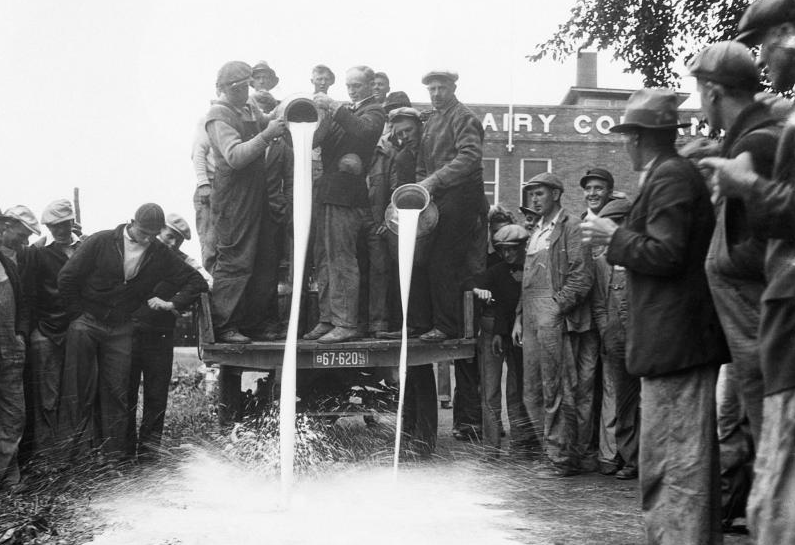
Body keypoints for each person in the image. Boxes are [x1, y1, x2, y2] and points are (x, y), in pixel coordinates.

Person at [582, 88, 729, 544]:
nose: (625, 145)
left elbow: (667, 254)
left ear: (637, 139)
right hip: (673, 346)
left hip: (676, 347)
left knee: (676, 467)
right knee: (674, 466)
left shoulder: (669, 177)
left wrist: (614, 235)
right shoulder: (671, 175)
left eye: (626, 136)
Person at [700, 3, 795, 541]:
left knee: (777, 480)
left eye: (764, 43)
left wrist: (749, 188)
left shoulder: (759, 142)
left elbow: (761, 248)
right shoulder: (757, 136)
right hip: (761, 335)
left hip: (770, 332)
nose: (763, 59)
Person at [57, 203, 207, 460]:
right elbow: (67, 277)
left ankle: (116, 459)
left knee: (117, 393)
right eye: (144, 232)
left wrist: (174, 303)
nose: (148, 239)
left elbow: (197, 280)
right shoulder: (101, 241)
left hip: (120, 328)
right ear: (132, 223)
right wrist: (77, 315)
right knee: (77, 388)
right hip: (87, 322)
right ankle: (66, 458)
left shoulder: (159, 251)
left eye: (153, 234)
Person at [511, 172, 593, 477]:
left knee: (556, 388)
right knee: (531, 390)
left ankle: (562, 459)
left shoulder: (570, 227)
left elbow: (582, 277)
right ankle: (550, 452)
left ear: (556, 194)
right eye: (531, 194)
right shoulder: (536, 231)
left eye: (540, 193)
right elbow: (528, 281)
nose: (534, 199)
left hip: (552, 314)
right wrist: (520, 317)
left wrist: (556, 309)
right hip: (531, 315)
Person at [205, 60, 286, 343]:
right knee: (236, 258)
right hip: (233, 197)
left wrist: (283, 110)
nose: (242, 92)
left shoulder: (248, 105)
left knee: (265, 257)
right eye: (236, 88)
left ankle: (256, 324)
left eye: (245, 86)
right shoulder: (218, 115)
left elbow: (267, 120)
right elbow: (235, 157)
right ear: (223, 88)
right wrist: (266, 136)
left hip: (257, 192)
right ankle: (226, 326)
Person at [304, 65, 386, 343]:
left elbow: (364, 132)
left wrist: (334, 107)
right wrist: (323, 117)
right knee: (324, 258)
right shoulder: (345, 112)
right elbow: (315, 141)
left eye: (357, 85)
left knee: (341, 258)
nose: (351, 90)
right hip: (328, 191)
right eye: (349, 85)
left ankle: (347, 322)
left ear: (370, 85)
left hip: (346, 194)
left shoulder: (374, 110)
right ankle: (328, 318)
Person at [127, 213, 208, 460]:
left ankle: (149, 453)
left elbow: (202, 282)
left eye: (178, 241)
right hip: (129, 333)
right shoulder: (137, 250)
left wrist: (172, 302)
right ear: (158, 230)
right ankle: (124, 450)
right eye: (170, 236)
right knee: (125, 392)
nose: (172, 243)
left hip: (160, 335)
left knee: (156, 394)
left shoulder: (181, 262)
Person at [415, 70, 486, 342]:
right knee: (426, 258)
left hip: (463, 195)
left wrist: (433, 181)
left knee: (445, 260)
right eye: (431, 89)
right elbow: (423, 163)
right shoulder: (433, 121)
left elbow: (470, 157)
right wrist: (421, 188)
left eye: (440, 88)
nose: (435, 93)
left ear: (453, 88)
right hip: (439, 196)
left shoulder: (463, 117)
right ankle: (427, 322)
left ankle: (448, 326)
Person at [474, 223, 539, 456]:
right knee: (490, 391)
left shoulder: (533, 270)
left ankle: (520, 444)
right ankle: (491, 448)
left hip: (519, 336)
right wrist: (478, 291)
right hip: (495, 333)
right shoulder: (497, 271)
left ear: (523, 247)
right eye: (503, 249)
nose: (508, 254)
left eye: (512, 249)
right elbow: (473, 284)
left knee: (517, 389)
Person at [27, 199, 81, 460]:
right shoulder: (37, 251)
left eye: (63, 224)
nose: (59, 230)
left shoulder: (86, 246)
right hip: (47, 330)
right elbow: (29, 293)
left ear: (72, 221)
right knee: (47, 395)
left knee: (74, 393)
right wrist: (36, 329)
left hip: (78, 329)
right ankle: (46, 456)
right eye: (53, 225)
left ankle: (70, 454)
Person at [590, 198, 639, 480]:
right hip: (616, 342)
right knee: (624, 403)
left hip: (644, 342)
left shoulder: (638, 258)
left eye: (618, 223)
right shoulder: (602, 263)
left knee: (649, 403)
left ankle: (650, 460)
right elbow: (599, 304)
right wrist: (607, 334)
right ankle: (630, 460)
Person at [0, 238, 28, 490]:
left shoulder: (7, 264)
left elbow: (23, 303)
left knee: (14, 414)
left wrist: (20, 334)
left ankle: (8, 475)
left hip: (10, 352)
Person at [191, 114, 216, 271]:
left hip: (231, 188)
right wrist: (204, 183)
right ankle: (211, 288)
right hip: (211, 184)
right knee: (210, 243)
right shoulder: (208, 119)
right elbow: (198, 152)